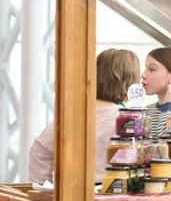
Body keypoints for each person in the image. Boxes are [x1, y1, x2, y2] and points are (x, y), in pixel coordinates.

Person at [28, 48, 141, 184]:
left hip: (72, 191)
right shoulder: (128, 118)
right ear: (130, 83)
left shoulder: (73, 113)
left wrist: (42, 186)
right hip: (113, 191)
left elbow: (40, 149)